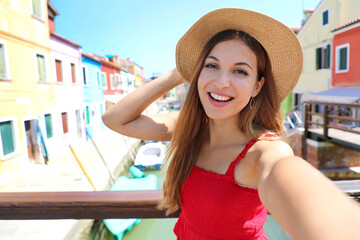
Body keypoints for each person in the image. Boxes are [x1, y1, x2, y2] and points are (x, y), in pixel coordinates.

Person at [102, 8, 360, 240]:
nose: (222, 82)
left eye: (240, 71)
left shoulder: (264, 151)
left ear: (258, 86)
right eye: (211, 66)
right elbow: (115, 119)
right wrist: (176, 74)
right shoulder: (189, 126)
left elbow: (292, 183)